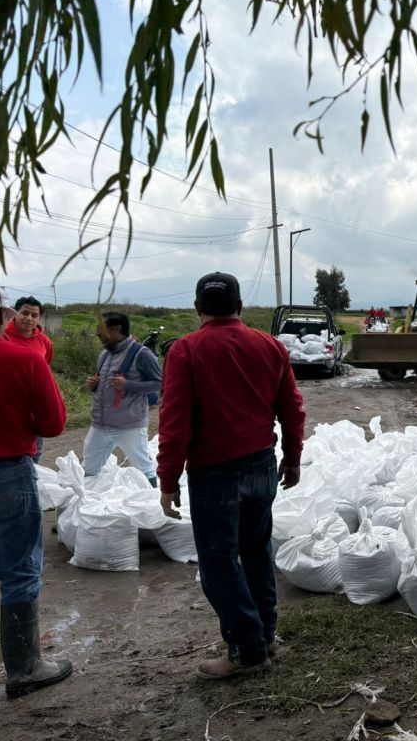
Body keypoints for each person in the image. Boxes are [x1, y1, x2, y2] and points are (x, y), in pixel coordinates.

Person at [158, 272, 305, 680]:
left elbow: (174, 423)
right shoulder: (270, 346)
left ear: (197, 307)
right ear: (240, 306)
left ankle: (247, 649)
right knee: (257, 552)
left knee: (220, 562)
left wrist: (167, 480)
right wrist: (292, 459)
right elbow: (292, 409)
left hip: (214, 473)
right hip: (261, 465)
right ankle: (265, 635)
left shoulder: (186, 351)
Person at [0, 287, 71, 698]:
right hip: (7, 471)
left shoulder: (36, 347)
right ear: (4, 314)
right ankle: (25, 670)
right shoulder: (26, 358)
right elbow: (54, 424)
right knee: (19, 569)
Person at [83, 312, 162, 488]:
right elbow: (107, 386)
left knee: (143, 469)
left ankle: (155, 509)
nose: (97, 333)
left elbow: (159, 383)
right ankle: (86, 506)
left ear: (116, 329)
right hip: (100, 424)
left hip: (129, 425)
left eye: (100, 329)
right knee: (89, 467)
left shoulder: (142, 354)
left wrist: (128, 385)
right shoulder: (104, 355)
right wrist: (95, 385)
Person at [3, 296, 55, 463]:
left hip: (32, 407)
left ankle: (31, 480)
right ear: (15, 313)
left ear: (39, 318)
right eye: (24, 313)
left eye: (34, 315)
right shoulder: (2, 335)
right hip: (6, 403)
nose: (29, 318)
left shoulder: (44, 342)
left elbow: (44, 371)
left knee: (35, 450)